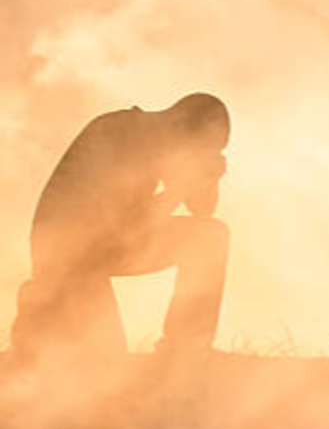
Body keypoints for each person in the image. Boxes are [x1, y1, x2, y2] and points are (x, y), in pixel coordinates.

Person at [11, 93, 231, 362]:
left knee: (209, 236)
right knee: (100, 363)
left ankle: (188, 346)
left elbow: (203, 212)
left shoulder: (163, 143)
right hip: (69, 258)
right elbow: (130, 225)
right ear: (180, 125)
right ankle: (40, 315)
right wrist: (183, 185)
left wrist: (207, 178)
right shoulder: (121, 133)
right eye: (197, 148)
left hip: (99, 253)